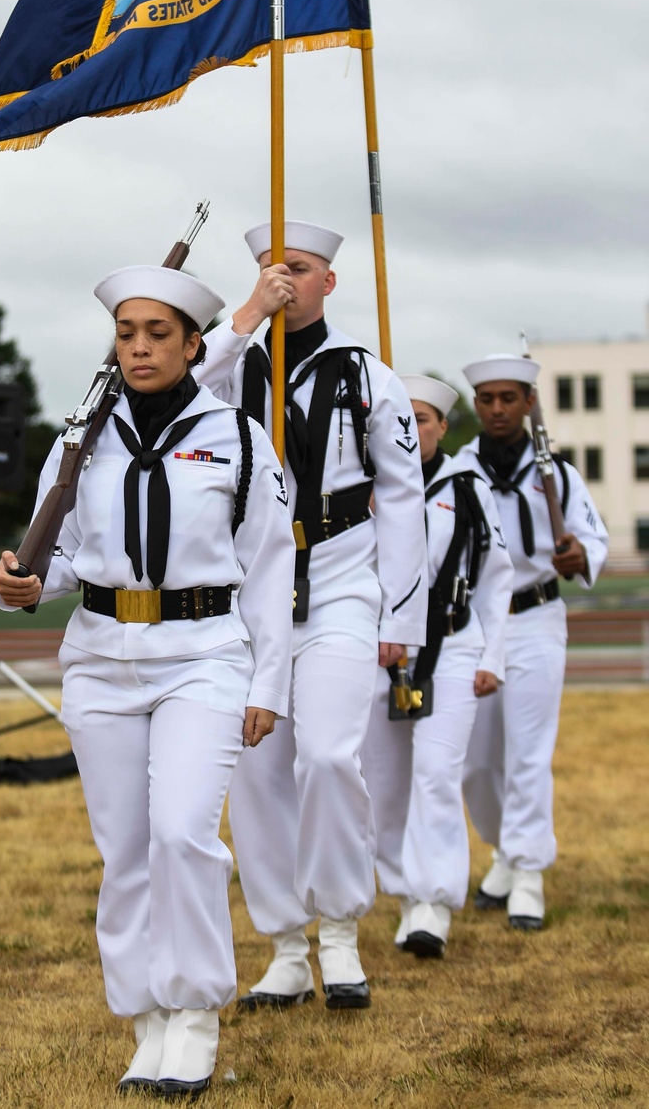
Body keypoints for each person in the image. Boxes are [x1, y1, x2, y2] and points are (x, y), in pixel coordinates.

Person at [0, 265, 295, 1099]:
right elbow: (58, 555)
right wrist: (25, 582)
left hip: (203, 655)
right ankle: (146, 1018)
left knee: (180, 836)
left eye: (157, 333)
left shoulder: (237, 438)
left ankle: (196, 1013)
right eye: (126, 334)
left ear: (196, 345)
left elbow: (272, 566)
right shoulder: (81, 439)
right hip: (99, 658)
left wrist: (269, 681)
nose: (138, 347)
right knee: (125, 850)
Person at [195, 221, 428, 1008]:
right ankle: (287, 945)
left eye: (297, 268)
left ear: (329, 281)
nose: (283, 278)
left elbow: (401, 494)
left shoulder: (366, 373)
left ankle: (339, 931)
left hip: (339, 578)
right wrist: (246, 316)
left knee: (328, 756)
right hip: (254, 585)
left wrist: (402, 612)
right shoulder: (236, 365)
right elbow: (184, 394)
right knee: (257, 775)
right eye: (269, 268)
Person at [361, 375, 513, 958]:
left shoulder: (467, 485)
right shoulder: (364, 485)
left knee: (436, 773)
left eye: (423, 419)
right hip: (381, 653)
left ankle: (435, 901)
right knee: (384, 782)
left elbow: (497, 576)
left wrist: (493, 654)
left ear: (443, 427)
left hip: (451, 646)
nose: (413, 429)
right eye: (403, 418)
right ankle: (403, 892)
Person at [457, 354, 608, 930]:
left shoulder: (558, 475)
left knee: (528, 749)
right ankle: (501, 847)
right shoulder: (457, 471)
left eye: (509, 399)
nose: (498, 409)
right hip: (474, 623)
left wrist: (579, 554)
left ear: (528, 404)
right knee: (475, 761)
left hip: (537, 617)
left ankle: (527, 873)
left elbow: (592, 537)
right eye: (488, 399)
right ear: (477, 405)